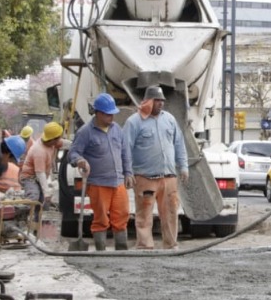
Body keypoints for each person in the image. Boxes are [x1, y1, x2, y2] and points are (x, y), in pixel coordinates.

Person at [124, 85, 189, 251]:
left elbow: (179, 143)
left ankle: (171, 244)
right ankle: (145, 246)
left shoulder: (170, 119)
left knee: (171, 213)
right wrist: (128, 172)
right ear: (148, 101)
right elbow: (126, 148)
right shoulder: (134, 122)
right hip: (145, 178)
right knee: (144, 214)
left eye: (162, 100)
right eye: (157, 100)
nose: (161, 103)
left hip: (168, 178)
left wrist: (183, 166)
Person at [67, 93, 133, 251]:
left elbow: (125, 152)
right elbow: (73, 153)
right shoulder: (85, 132)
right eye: (108, 114)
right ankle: (100, 251)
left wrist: (128, 172)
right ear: (98, 113)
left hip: (118, 182)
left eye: (112, 114)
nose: (111, 117)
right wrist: (80, 161)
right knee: (101, 219)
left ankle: (122, 250)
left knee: (122, 217)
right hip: (98, 184)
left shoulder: (117, 129)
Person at [21, 121, 65, 206]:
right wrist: (46, 193)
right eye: (58, 138)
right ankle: (22, 214)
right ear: (53, 139)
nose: (60, 139)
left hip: (38, 177)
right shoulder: (39, 151)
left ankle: (38, 218)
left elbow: (64, 143)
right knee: (34, 198)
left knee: (43, 203)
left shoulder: (51, 142)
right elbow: (40, 173)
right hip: (29, 178)